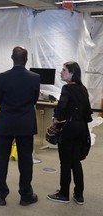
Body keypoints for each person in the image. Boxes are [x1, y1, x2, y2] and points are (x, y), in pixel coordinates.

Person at [0, 46, 40, 206]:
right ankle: (26, 195)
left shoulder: (2, 77)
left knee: (2, 159)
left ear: (12, 58)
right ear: (26, 59)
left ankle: (0, 194)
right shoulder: (35, 77)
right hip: (26, 123)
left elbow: (0, 100)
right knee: (26, 160)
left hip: (6, 122)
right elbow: (34, 99)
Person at [47, 61, 93, 205]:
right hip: (81, 129)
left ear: (72, 73)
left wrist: (55, 120)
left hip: (68, 130)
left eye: (64, 70)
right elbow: (88, 113)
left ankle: (63, 194)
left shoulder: (67, 88)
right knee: (75, 162)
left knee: (65, 162)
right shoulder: (83, 89)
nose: (61, 72)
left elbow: (61, 108)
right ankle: (79, 195)